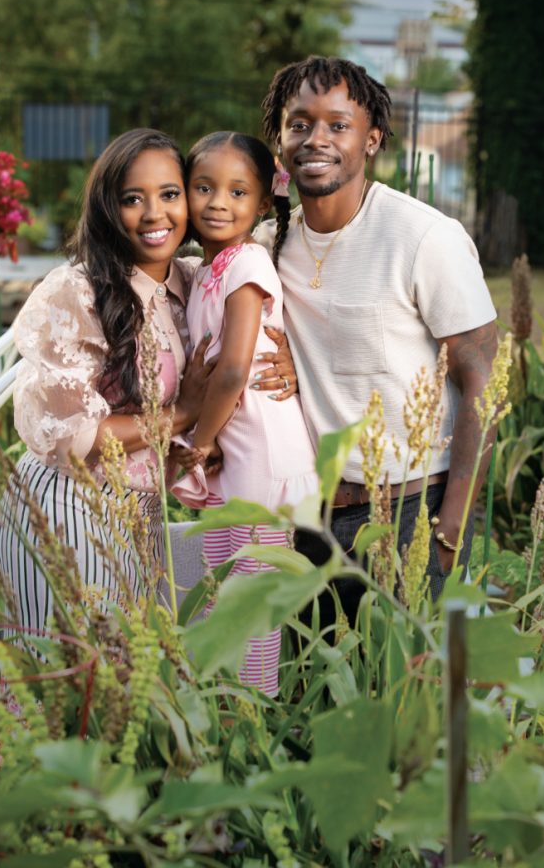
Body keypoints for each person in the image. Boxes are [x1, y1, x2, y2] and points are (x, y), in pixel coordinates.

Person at [257, 55, 498, 623]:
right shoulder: (269, 244)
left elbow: (481, 380)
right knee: (317, 695)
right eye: (300, 124)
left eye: (338, 125)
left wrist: (452, 525)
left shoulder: (422, 237)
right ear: (280, 140)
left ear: (372, 140)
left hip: (411, 509)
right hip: (309, 517)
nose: (317, 139)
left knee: (416, 695)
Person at [0, 128, 216, 631]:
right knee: (68, 685)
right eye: (132, 199)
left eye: (170, 194)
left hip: (145, 513)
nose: (155, 213)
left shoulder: (195, 282)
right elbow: (74, 438)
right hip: (69, 504)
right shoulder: (77, 292)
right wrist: (182, 414)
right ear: (107, 209)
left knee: (125, 688)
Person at [173, 132, 317, 695]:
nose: (217, 203)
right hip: (234, 457)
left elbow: (232, 369)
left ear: (261, 206)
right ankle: (220, 712)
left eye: (237, 192)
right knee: (219, 592)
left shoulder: (249, 261)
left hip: (259, 456)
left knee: (252, 607)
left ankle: (255, 714)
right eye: (203, 188)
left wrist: (200, 442)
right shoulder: (207, 268)